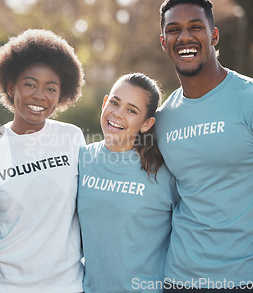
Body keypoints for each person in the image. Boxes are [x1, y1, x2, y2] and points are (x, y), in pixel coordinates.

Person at [157, 0, 253, 292]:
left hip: (249, 280)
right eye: (174, 30)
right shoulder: (162, 118)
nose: (185, 37)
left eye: (195, 27)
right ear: (164, 42)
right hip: (179, 279)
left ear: (213, 35)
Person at [0, 29, 85, 292]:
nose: (40, 95)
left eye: (51, 88)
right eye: (30, 84)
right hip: (2, 286)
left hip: (66, 285)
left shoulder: (72, 137)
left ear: (61, 96)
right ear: (11, 86)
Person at [77, 73, 179, 293]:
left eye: (132, 110)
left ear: (146, 124)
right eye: (114, 103)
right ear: (104, 103)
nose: (118, 114)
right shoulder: (81, 159)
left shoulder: (164, 172)